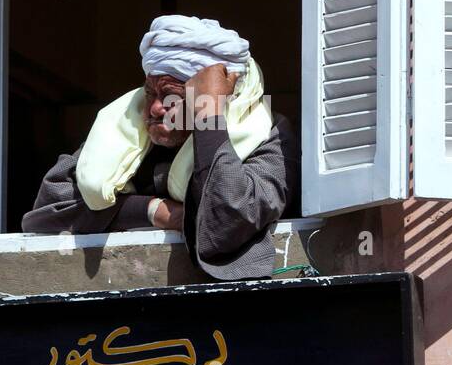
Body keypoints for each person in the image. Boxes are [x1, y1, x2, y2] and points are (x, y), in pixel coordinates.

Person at [22, 15, 298, 280]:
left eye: (172, 96)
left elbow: (227, 222)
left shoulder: (268, 135)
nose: (155, 108)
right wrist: (152, 210)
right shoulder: (126, 134)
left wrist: (210, 120)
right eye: (151, 93)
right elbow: (47, 213)